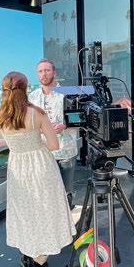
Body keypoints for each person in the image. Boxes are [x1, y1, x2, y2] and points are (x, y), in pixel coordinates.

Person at [0, 71, 75, 267]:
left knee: (25, 212)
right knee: (44, 210)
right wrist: (36, 141)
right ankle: (39, 265)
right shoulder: (37, 113)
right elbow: (54, 145)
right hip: (42, 166)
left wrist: (9, 142)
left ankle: (29, 257)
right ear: (25, 89)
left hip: (18, 168)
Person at [29, 59, 80, 207]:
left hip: (65, 150)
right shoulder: (32, 97)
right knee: (44, 191)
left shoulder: (69, 93)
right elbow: (29, 121)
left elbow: (79, 117)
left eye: (47, 70)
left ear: (54, 72)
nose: (43, 74)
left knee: (66, 192)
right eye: (40, 71)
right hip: (43, 152)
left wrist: (65, 126)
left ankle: (66, 217)